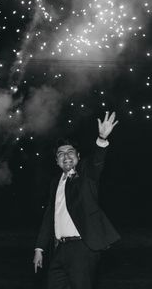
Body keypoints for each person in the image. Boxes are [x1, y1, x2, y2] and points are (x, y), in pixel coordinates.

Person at [32, 111, 121, 289]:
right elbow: (50, 216)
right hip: (59, 249)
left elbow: (97, 160)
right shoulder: (55, 183)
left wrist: (102, 138)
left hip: (82, 248)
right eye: (61, 154)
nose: (66, 156)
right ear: (56, 161)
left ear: (78, 157)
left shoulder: (86, 174)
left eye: (70, 152)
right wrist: (39, 248)